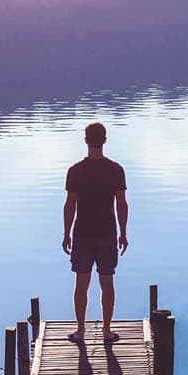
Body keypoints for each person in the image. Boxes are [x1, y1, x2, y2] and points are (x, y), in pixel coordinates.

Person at [62, 121, 128, 343]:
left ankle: (81, 331)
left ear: (86, 140)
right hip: (108, 234)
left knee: (82, 284)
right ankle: (106, 331)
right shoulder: (116, 170)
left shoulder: (75, 171)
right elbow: (122, 204)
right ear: (105, 140)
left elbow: (70, 205)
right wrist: (124, 233)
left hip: (82, 235)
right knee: (107, 283)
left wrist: (66, 233)